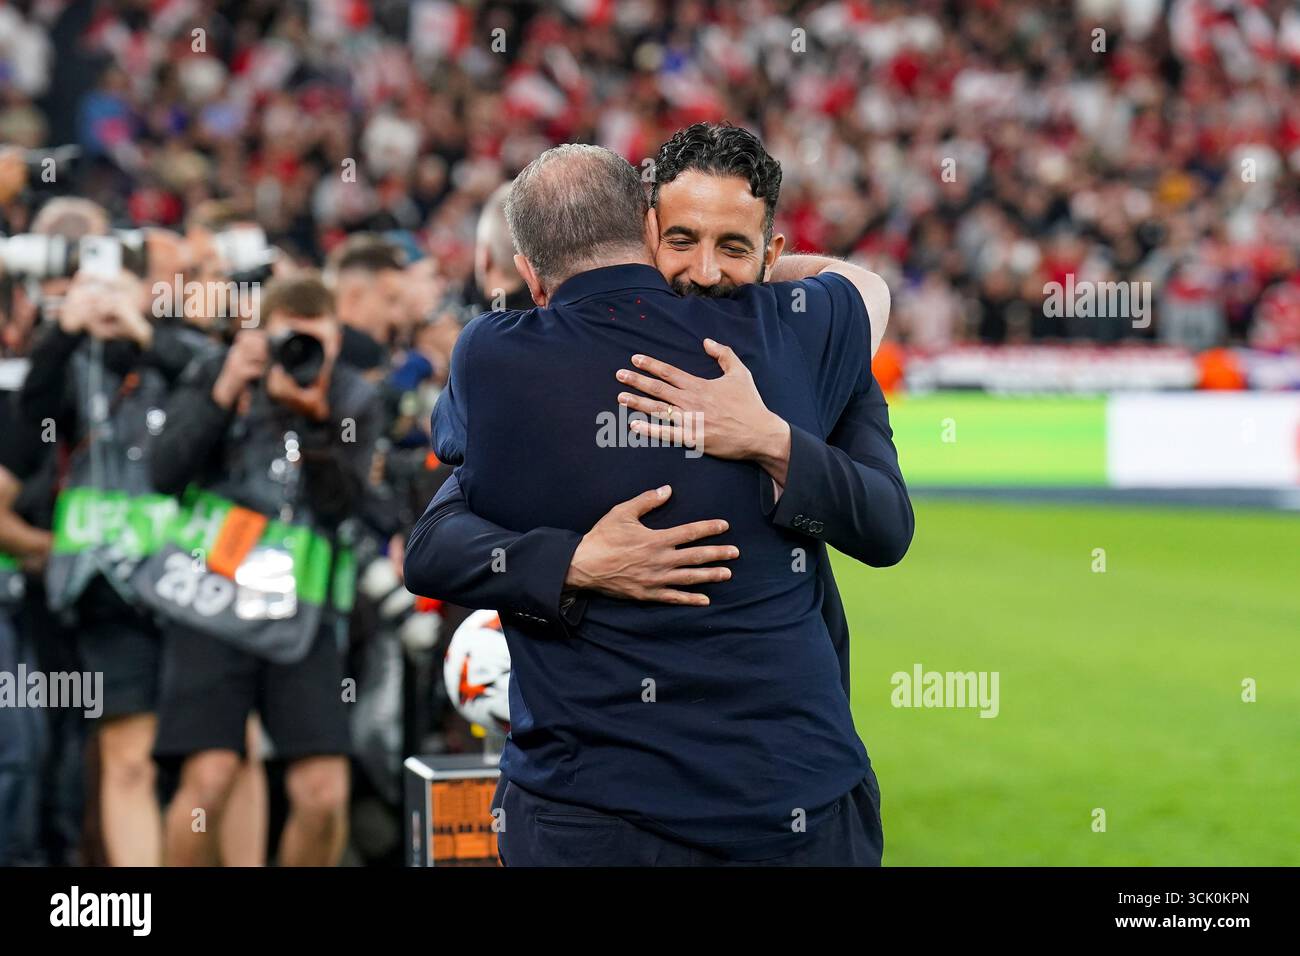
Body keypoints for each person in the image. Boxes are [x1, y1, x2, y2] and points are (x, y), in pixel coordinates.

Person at [409, 144, 887, 865]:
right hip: (792, 805)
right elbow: (862, 286)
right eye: (685, 242)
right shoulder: (792, 332)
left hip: (589, 815)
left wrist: (569, 561)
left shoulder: (490, 357)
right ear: (647, 229)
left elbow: (435, 542)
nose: (704, 271)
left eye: (732, 249)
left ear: (529, 276)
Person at [148, 274, 380, 866]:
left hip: (300, 608)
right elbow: (164, 474)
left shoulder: (351, 396)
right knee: (210, 779)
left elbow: (346, 507)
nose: (301, 359)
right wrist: (224, 389)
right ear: (261, 338)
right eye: (289, 343)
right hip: (211, 595)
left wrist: (317, 423)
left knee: (323, 792)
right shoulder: (221, 372)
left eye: (316, 346)